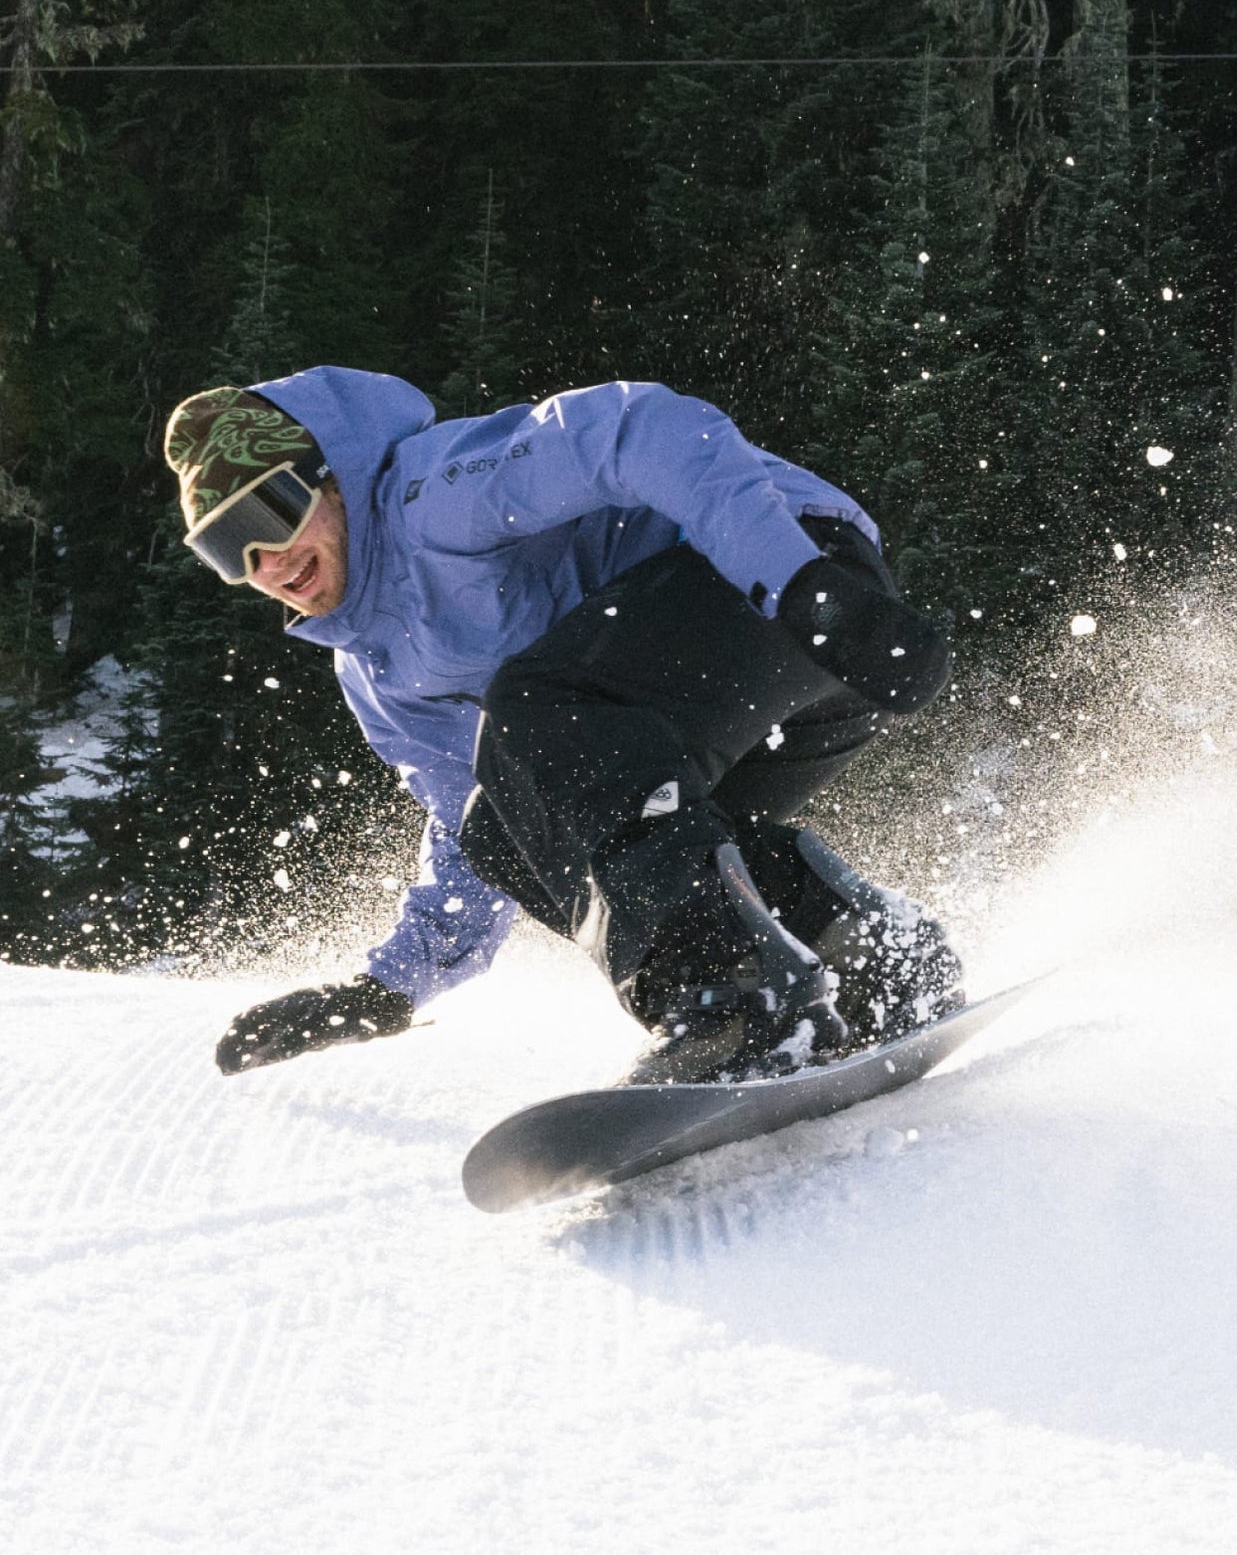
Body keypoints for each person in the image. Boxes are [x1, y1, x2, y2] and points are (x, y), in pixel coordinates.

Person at [163, 368, 960, 1083]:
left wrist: (797, 583)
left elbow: (639, 426)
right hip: (717, 697)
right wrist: (387, 991)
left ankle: (733, 994)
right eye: (230, 548)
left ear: (329, 480)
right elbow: (486, 822)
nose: (268, 558)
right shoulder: (377, 678)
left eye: (273, 509)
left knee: (536, 708)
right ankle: (867, 956)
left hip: (795, 588)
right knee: (509, 827)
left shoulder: (430, 497)